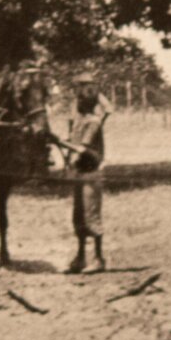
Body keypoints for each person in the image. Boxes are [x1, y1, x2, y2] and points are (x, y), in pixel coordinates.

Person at [56, 76, 109, 274]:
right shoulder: (80, 120)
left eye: (80, 98)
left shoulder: (93, 123)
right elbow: (73, 139)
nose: (77, 102)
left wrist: (60, 142)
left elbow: (81, 148)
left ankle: (98, 258)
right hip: (79, 172)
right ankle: (80, 258)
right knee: (78, 217)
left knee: (91, 215)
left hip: (91, 173)